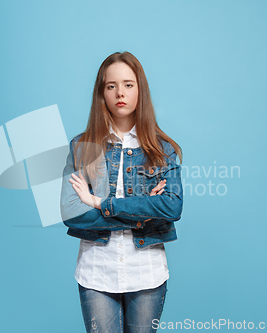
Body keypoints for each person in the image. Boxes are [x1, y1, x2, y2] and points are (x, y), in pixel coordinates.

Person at [60, 51, 183, 333]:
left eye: (128, 84)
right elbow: (71, 215)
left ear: (140, 90)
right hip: (96, 272)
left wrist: (99, 203)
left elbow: (172, 208)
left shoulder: (162, 149)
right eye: (111, 85)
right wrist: (142, 212)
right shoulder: (81, 146)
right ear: (101, 93)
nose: (120, 93)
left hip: (147, 273)